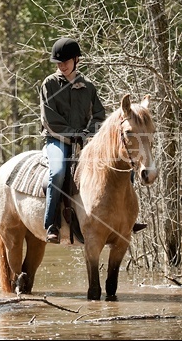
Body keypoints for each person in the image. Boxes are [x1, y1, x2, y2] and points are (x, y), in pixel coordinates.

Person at [40, 38, 146, 243]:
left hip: (87, 140)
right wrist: (74, 135)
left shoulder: (87, 86)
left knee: (125, 165)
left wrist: (89, 134)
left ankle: (130, 219)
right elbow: (50, 119)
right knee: (58, 172)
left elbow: (99, 114)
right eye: (59, 63)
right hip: (57, 139)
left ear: (76, 60)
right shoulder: (49, 84)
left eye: (66, 62)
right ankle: (51, 224)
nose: (62, 66)